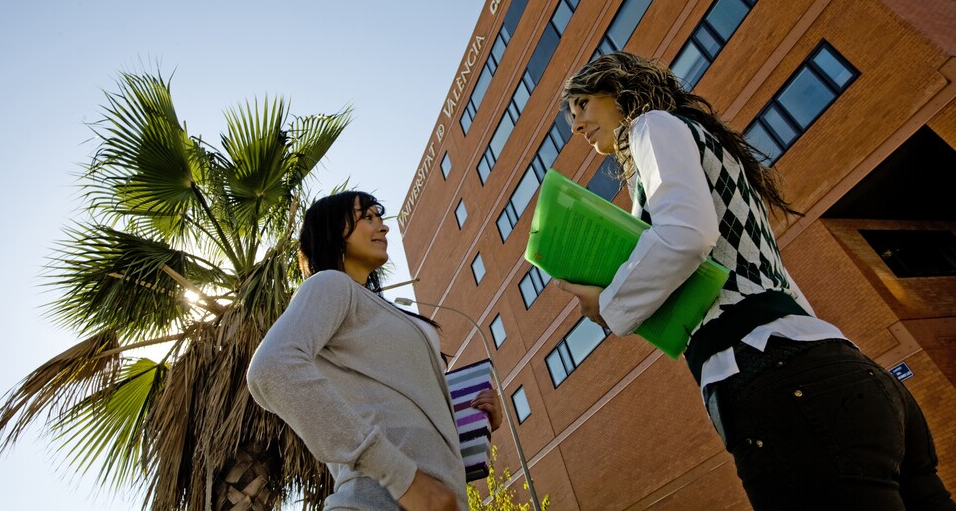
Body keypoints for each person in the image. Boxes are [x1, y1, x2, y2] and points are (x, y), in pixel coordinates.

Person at [556, 52, 954, 510]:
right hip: (847, 375)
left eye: (582, 105)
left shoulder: (651, 126)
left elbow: (686, 236)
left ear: (619, 88)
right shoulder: (706, 144)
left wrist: (608, 306)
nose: (577, 126)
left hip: (778, 383)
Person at [247, 190, 501, 511]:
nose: (383, 227)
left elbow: (401, 408)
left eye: (379, 218)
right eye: (367, 217)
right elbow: (272, 369)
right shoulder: (331, 284)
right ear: (333, 230)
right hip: (376, 499)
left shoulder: (380, 311)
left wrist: (472, 418)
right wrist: (402, 477)